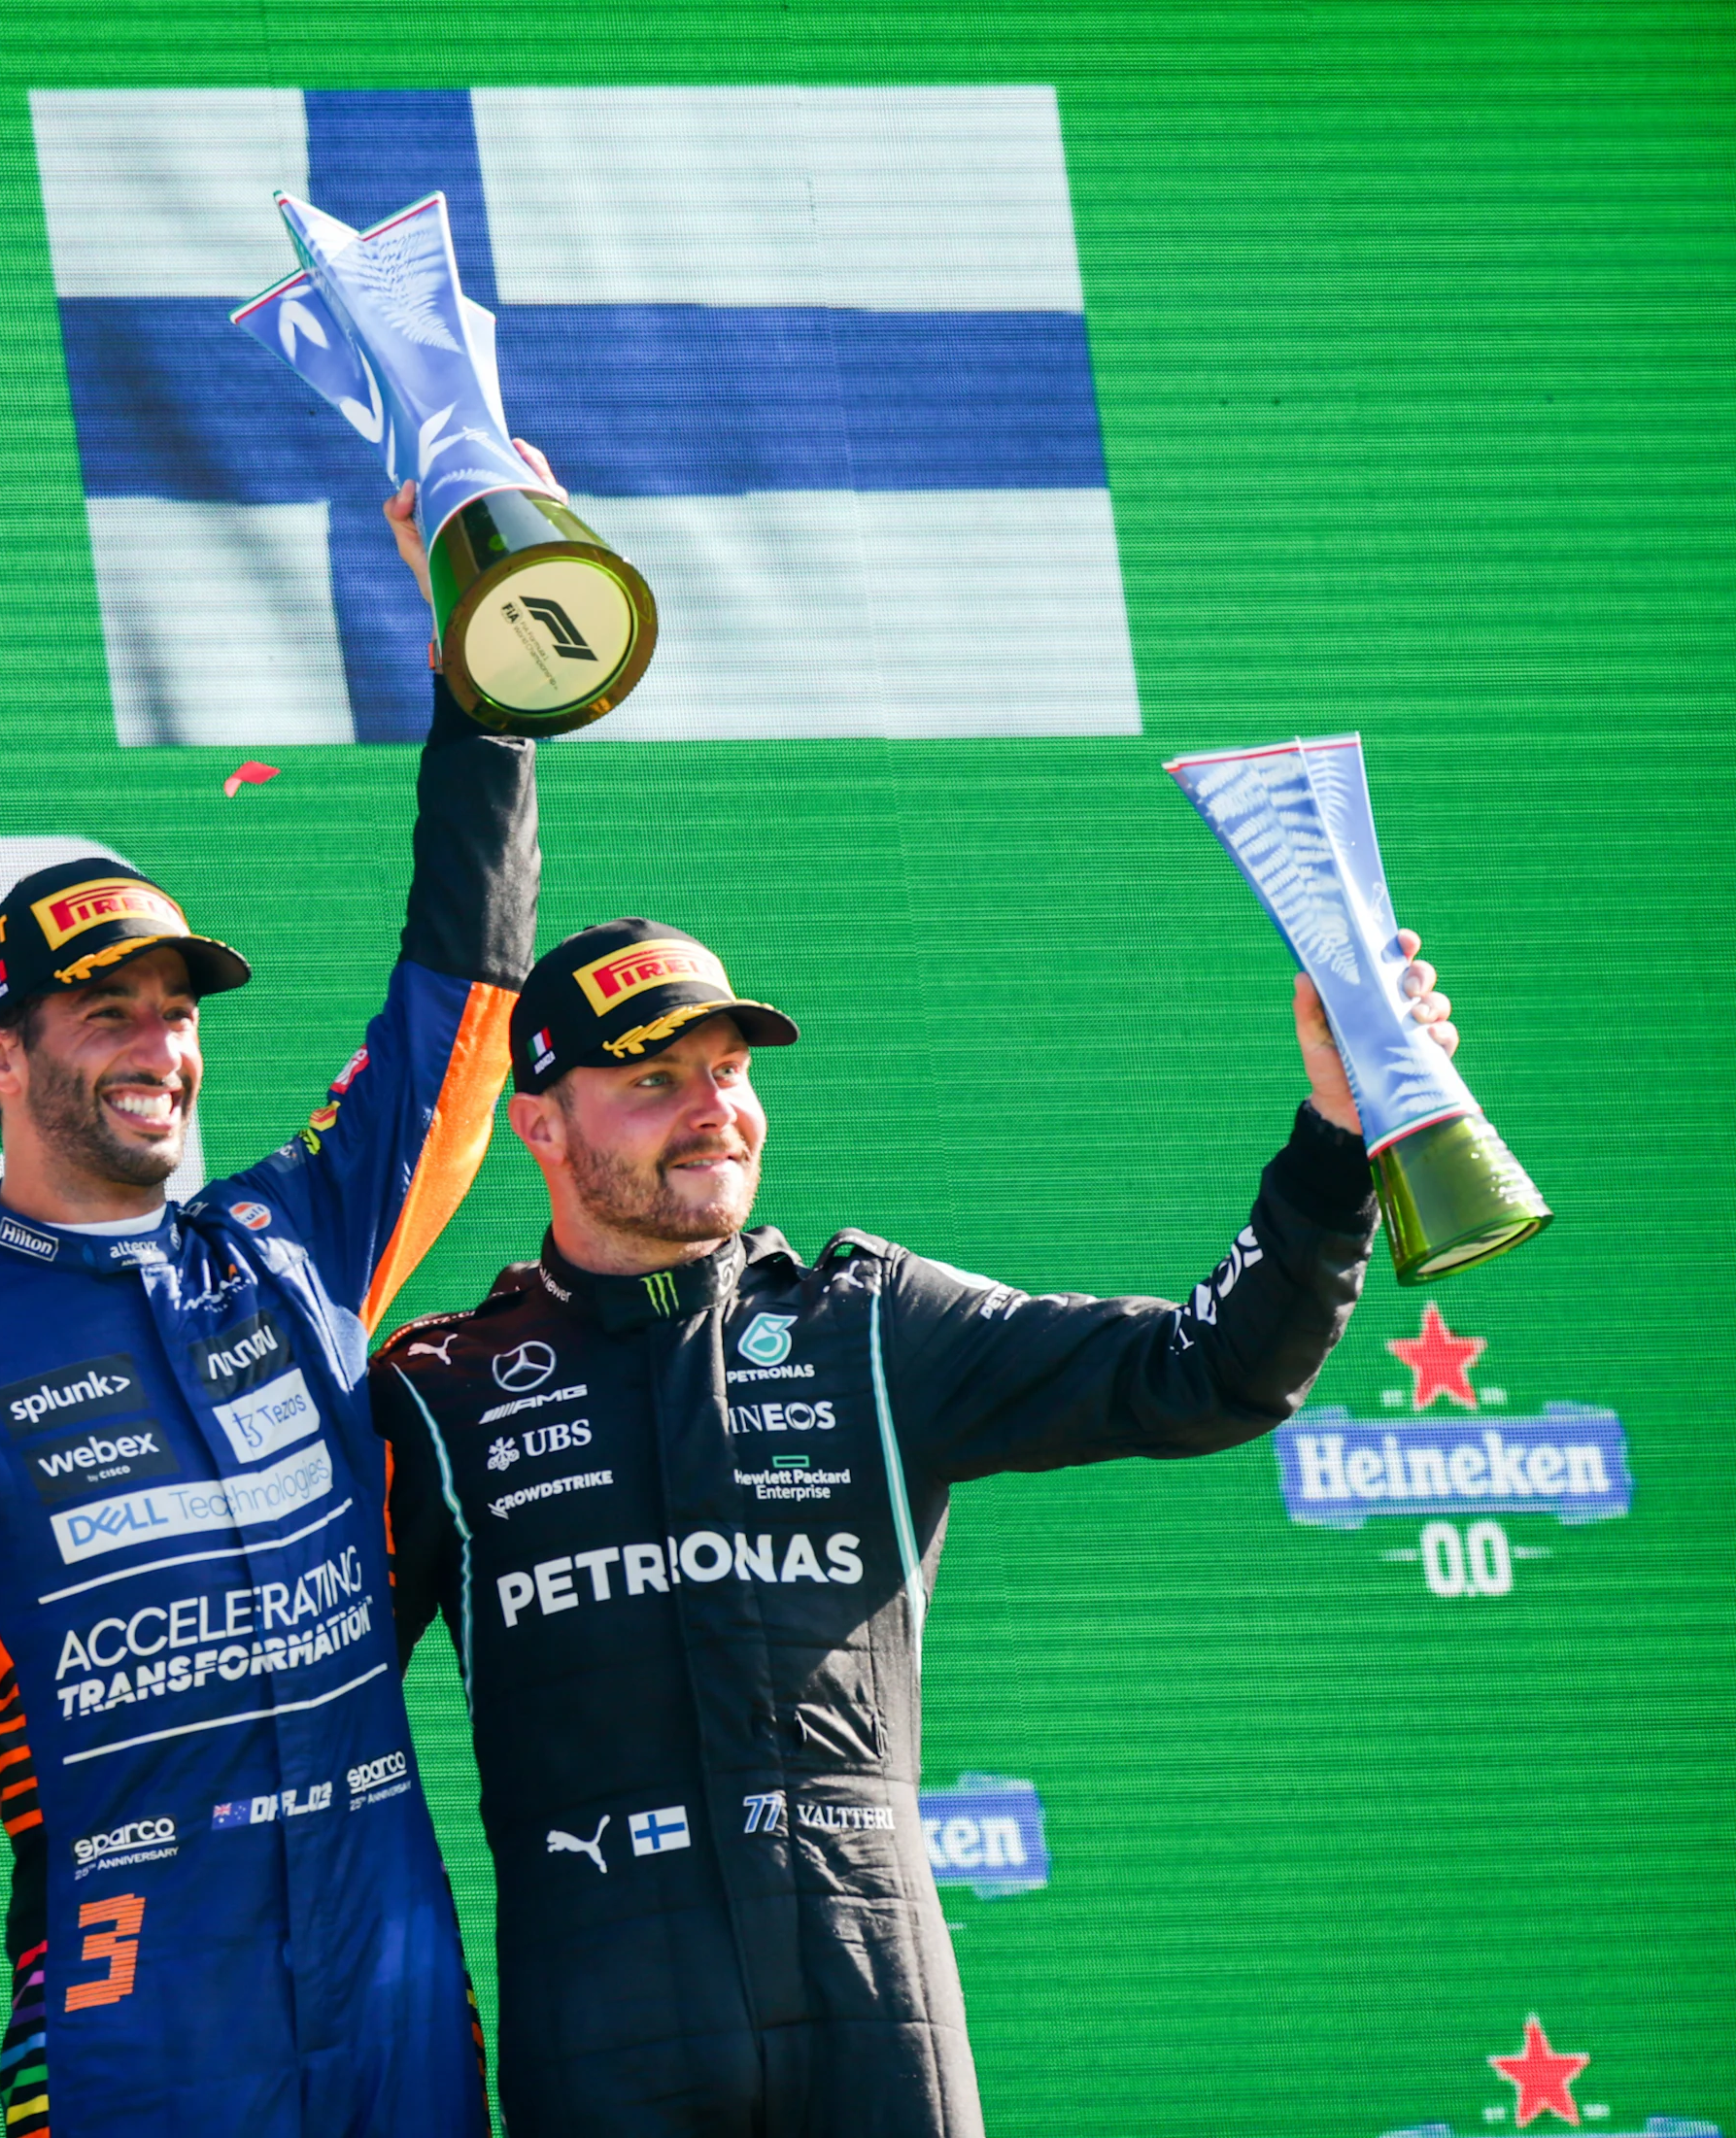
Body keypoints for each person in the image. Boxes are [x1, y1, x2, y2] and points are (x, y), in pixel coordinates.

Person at [364, 914, 1457, 2136]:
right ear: (539, 1122)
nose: (710, 1107)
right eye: (651, 1080)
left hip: (872, 1997)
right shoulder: (436, 1387)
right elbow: (303, 1706)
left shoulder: (870, 1323)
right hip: (601, 2010)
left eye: (726, 1068)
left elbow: (1204, 1371)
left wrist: (1336, 1142)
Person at [0, 473, 538, 2137]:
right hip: (130, 2018)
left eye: (169, 1008)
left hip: (392, 1990)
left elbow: (462, 1000)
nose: (154, 1041)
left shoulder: (294, 1240)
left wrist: (484, 702)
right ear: (1, 1057)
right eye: (99, 1014)